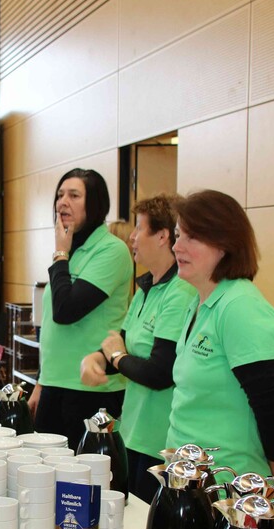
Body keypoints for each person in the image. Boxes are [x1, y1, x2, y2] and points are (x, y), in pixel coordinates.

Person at [166, 189, 274, 498]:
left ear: (225, 245)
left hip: (229, 490)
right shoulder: (200, 301)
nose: (176, 246)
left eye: (191, 237)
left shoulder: (240, 306)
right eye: (176, 235)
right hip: (189, 481)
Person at [81, 195, 197, 503]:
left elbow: (160, 372)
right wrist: (98, 357)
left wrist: (117, 357)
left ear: (163, 236)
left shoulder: (180, 292)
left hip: (159, 441)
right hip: (133, 432)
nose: (131, 237)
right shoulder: (146, 287)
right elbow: (119, 342)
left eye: (139, 228)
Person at [26, 168, 133, 450]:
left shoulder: (111, 251)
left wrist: (60, 253)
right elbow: (52, 328)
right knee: (45, 475)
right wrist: (41, 382)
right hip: (55, 384)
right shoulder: (69, 251)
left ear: (95, 203)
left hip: (90, 390)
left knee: (83, 488)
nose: (63, 202)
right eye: (60, 194)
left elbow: (65, 311)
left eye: (74, 195)